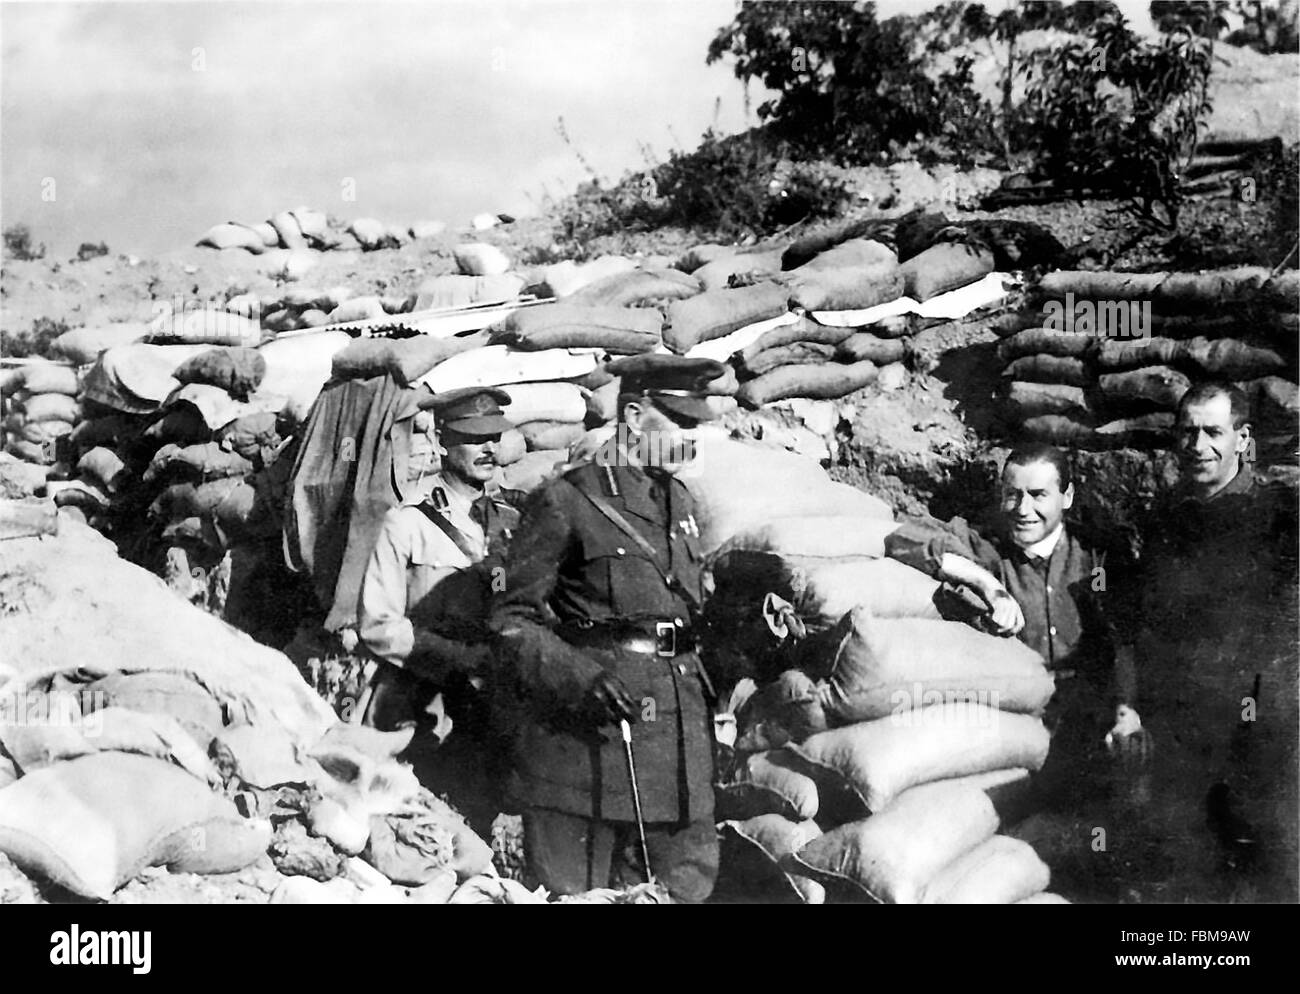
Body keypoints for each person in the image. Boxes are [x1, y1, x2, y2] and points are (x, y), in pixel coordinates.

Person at [487, 355, 725, 902]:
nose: (693, 438)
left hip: (678, 740)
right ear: (636, 417)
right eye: (681, 423)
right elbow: (510, 618)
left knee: (685, 886)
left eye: (696, 425)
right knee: (578, 891)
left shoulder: (681, 504)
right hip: (589, 742)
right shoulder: (569, 500)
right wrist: (575, 676)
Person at [884, 443, 1140, 808]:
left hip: (1090, 727)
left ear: (1066, 496)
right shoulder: (990, 549)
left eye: (1038, 495)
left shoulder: (1096, 555)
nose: (1023, 510)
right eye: (1012, 495)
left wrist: (1126, 711)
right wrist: (988, 585)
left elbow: (1124, 641)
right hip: (1014, 732)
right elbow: (904, 540)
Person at [1122, 381, 1298, 900]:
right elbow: (1145, 625)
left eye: (1213, 432)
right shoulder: (1164, 519)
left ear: (1242, 438)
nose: (1198, 446)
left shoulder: (1282, 514)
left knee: (1272, 871)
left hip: (1264, 729)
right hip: (1186, 732)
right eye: (1188, 432)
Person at [356, 386, 525, 837]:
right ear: (442, 443)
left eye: (495, 437)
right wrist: (456, 658)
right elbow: (378, 625)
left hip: (494, 700)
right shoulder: (408, 522)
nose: (489, 448)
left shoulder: (518, 520)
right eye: (474, 438)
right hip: (426, 699)